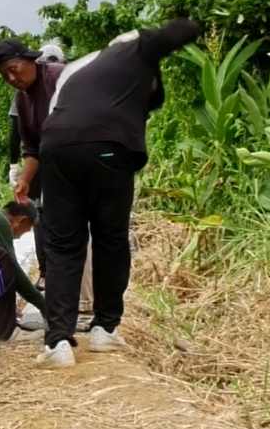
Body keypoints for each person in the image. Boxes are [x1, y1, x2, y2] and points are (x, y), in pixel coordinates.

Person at [36, 18, 202, 367]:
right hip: (108, 148)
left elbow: (54, 116)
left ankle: (58, 344)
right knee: (110, 238)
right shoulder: (134, 49)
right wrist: (204, 18)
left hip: (55, 147)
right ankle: (104, 329)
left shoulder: (76, 68)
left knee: (64, 245)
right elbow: (174, 33)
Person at [0, 38, 65, 289]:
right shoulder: (23, 98)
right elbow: (26, 142)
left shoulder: (62, 80)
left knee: (73, 231)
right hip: (43, 170)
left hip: (76, 169)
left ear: (30, 60)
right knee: (42, 219)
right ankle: (48, 274)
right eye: (6, 75)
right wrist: (22, 176)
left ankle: (83, 299)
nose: (12, 78)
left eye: (14, 70)